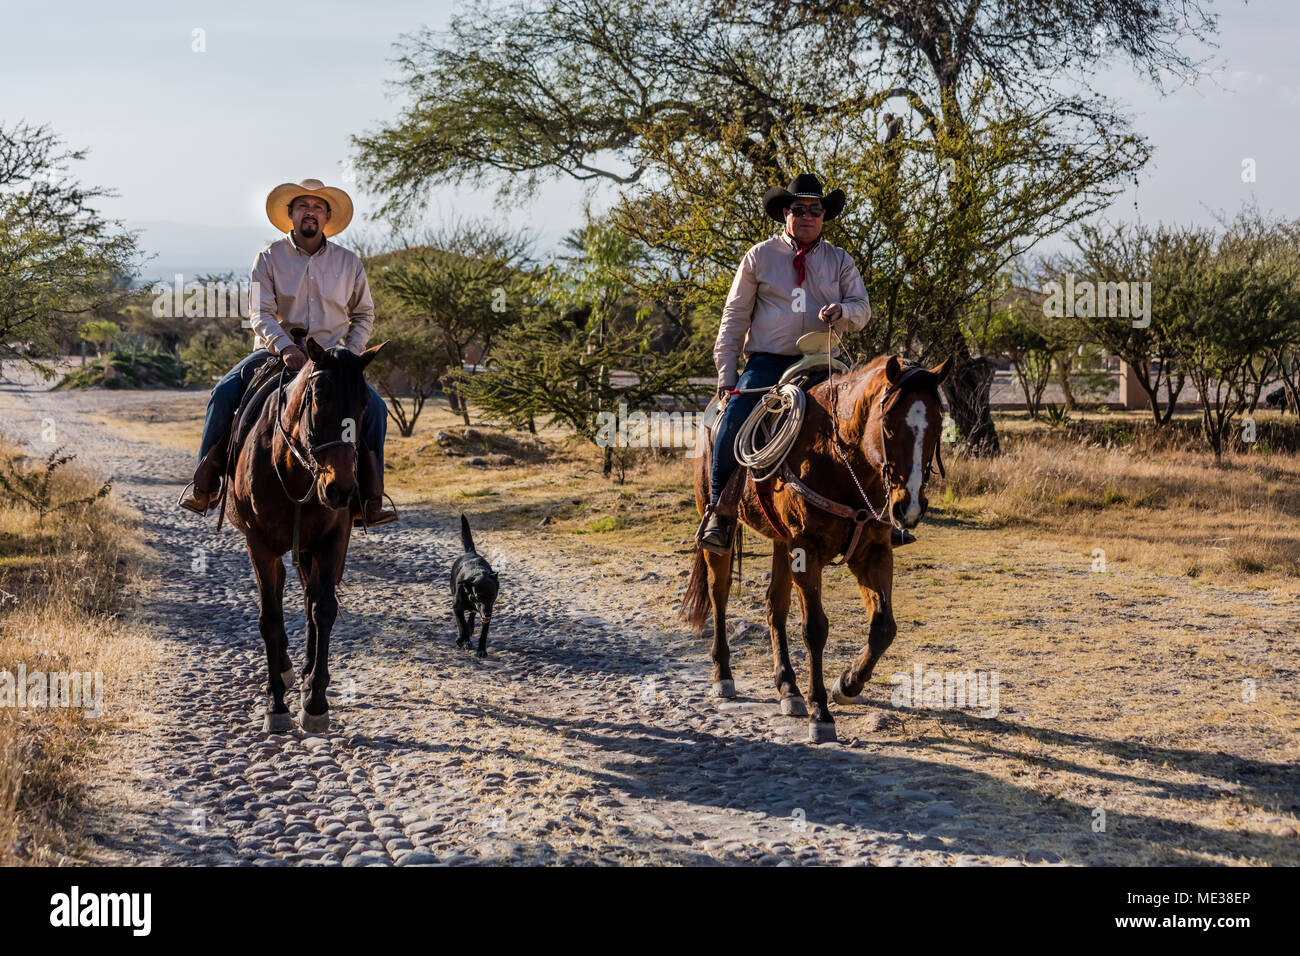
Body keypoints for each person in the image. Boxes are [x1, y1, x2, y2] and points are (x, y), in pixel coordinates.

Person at [178, 178, 396, 526]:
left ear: (327, 217)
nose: (311, 212)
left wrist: (350, 357)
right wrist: (284, 347)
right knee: (223, 393)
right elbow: (260, 313)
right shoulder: (267, 258)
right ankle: (206, 484)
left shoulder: (349, 262)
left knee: (377, 410)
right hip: (275, 353)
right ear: (291, 214)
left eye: (318, 207)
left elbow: (364, 314)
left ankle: (369, 499)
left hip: (332, 359)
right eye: (303, 207)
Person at [699, 172, 875, 553]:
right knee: (732, 420)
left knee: (869, 417)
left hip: (823, 360)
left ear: (824, 216)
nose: (808, 215)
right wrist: (727, 375)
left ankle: (880, 516)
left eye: (816, 209)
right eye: (800, 209)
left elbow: (863, 311)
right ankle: (721, 513)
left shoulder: (840, 260)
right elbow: (734, 317)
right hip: (768, 363)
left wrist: (843, 310)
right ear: (786, 213)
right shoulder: (759, 256)